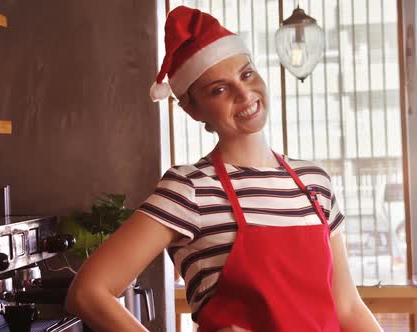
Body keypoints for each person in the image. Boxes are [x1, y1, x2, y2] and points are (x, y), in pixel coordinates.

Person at [66, 5, 383, 332]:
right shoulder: (190, 188)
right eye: (219, 89)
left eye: (246, 74)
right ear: (193, 109)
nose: (244, 93)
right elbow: (89, 292)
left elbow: (347, 308)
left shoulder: (314, 183)